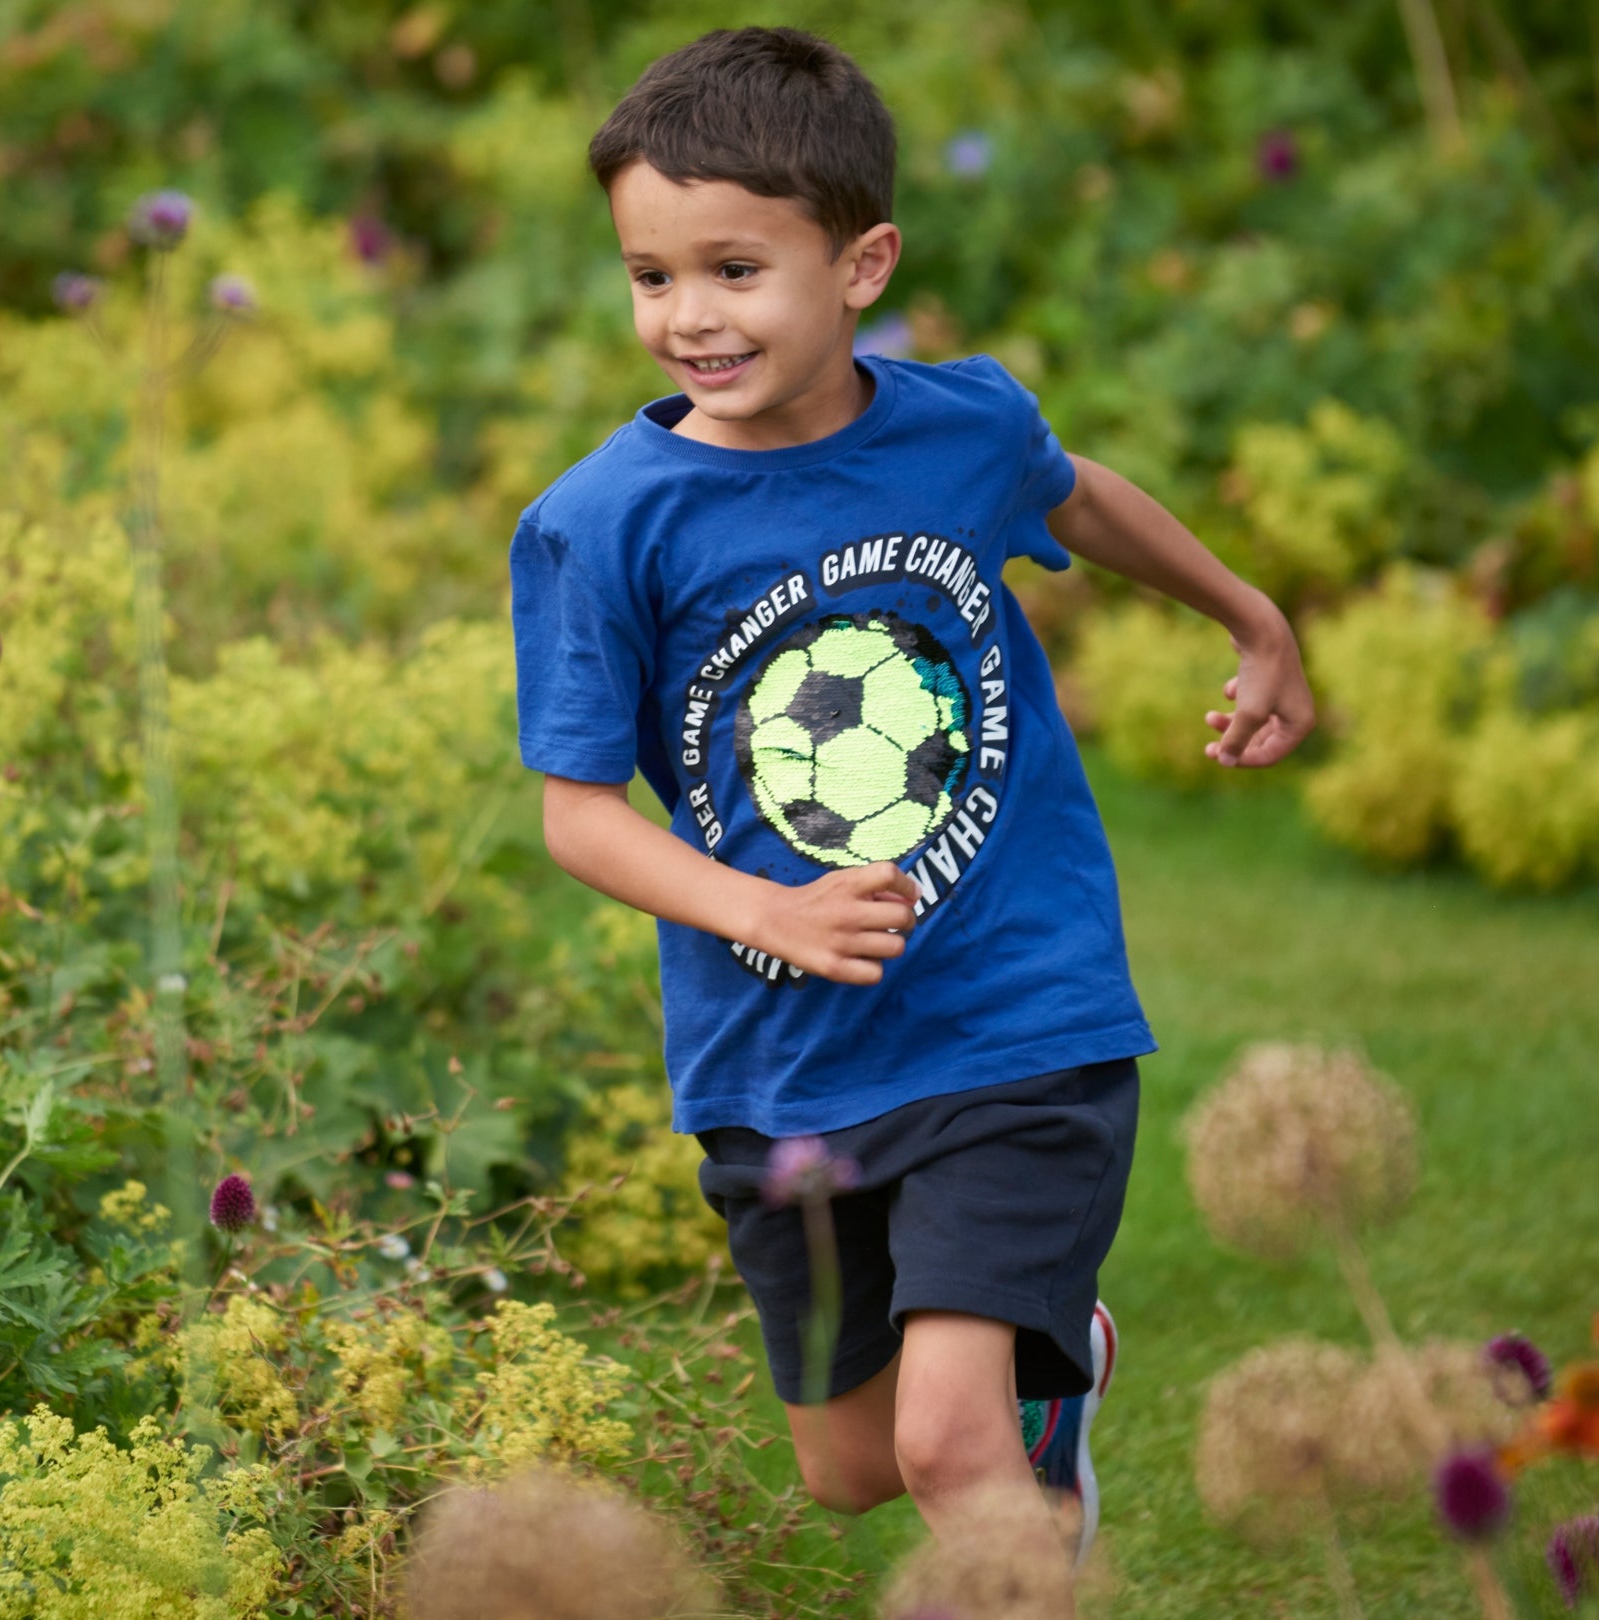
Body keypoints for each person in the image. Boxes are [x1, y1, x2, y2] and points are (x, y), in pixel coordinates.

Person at [508, 26, 1315, 1568]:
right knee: (856, 1466)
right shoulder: (601, 526)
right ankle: (1049, 1369)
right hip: (782, 1057)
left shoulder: (962, 430)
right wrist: (767, 909)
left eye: (737, 271)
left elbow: (1072, 490)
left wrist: (1250, 617)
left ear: (861, 262)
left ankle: (1014, 1463)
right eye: (650, 274)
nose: (688, 317)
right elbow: (578, 813)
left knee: (949, 1446)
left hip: (1017, 1010)